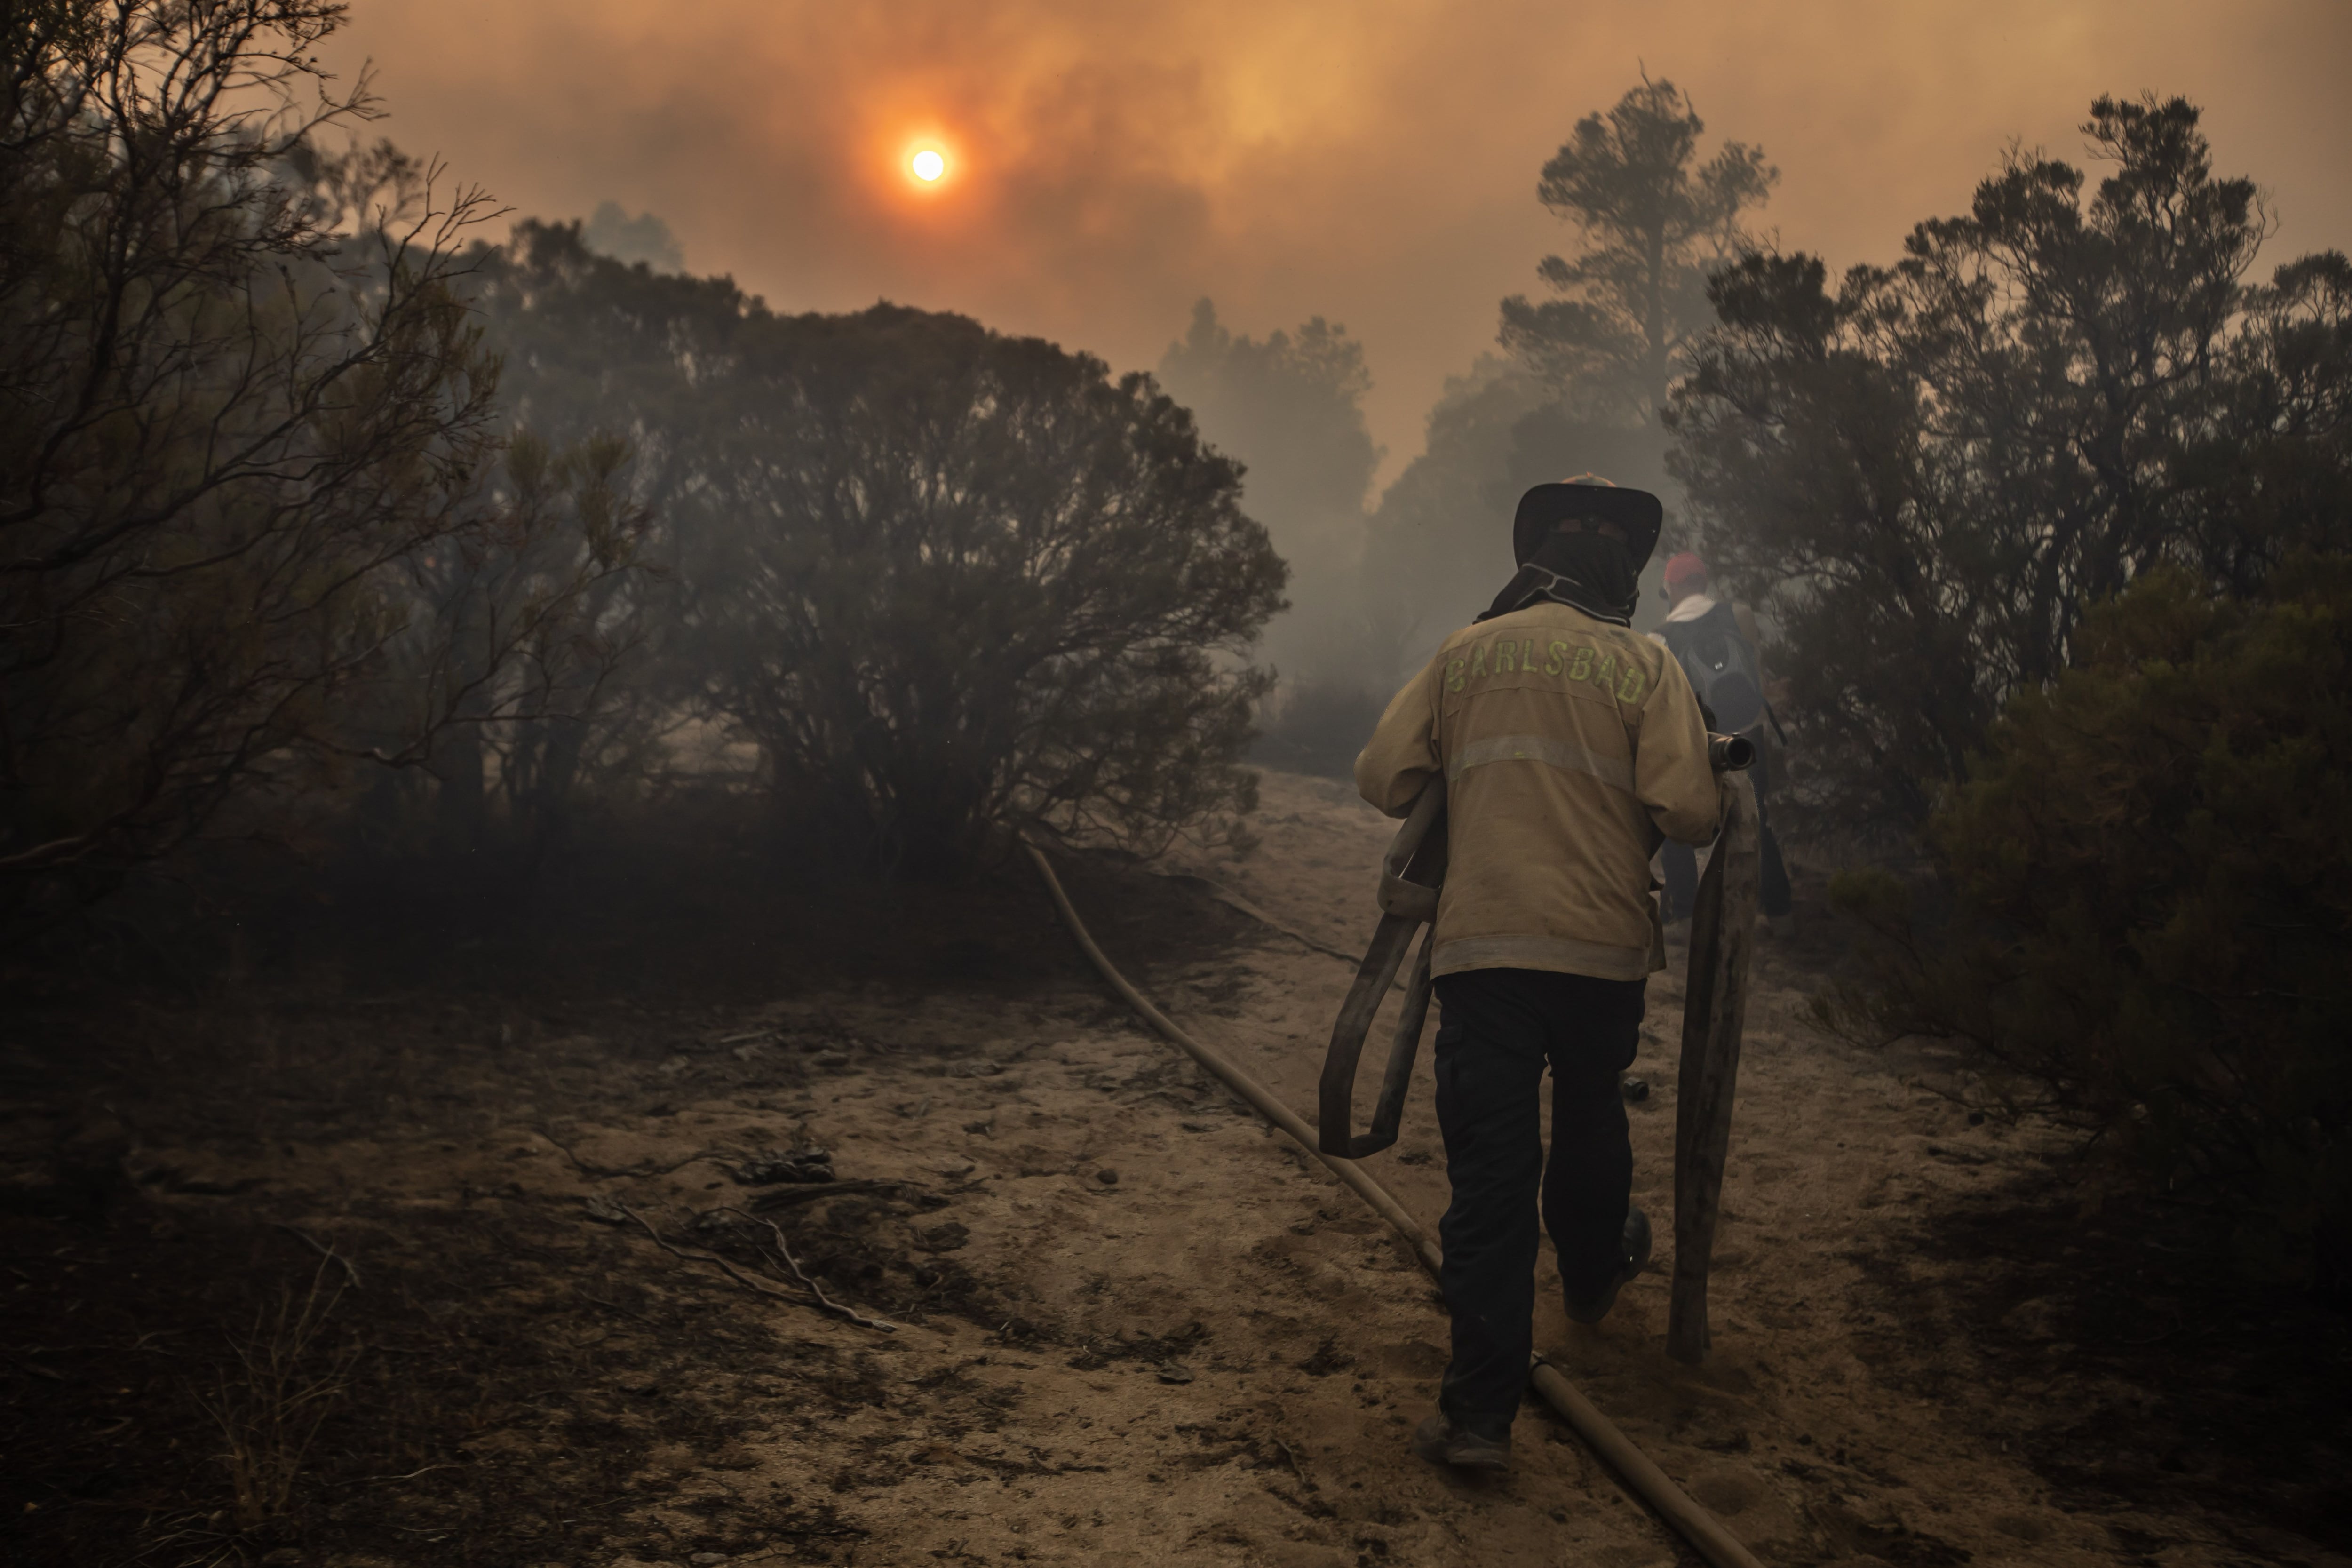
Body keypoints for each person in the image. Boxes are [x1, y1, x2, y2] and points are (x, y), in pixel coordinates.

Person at [1354, 474, 1721, 1473]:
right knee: (1594, 1106)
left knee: (1491, 1180)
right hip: (1601, 951)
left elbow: (1382, 776)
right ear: (1625, 566)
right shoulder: (1647, 663)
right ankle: (1595, 1278)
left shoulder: (1468, 649)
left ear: (1534, 554)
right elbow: (1691, 814)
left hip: (1484, 952)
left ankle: (1478, 1421)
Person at [1650, 552, 1794, 936]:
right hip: (1749, 733)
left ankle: (1684, 914)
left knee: (1675, 817)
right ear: (1704, 581)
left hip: (1699, 741)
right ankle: (1780, 914)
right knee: (1756, 818)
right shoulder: (1740, 614)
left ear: (1672, 587)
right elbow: (1757, 675)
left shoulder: (1661, 635)